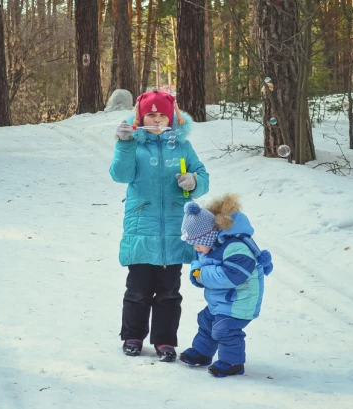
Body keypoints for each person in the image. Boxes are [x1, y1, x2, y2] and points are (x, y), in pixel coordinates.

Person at [109, 90, 209, 361]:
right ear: (140, 117)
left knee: (169, 293)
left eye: (162, 115)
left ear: (171, 118)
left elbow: (202, 175)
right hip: (142, 228)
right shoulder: (134, 145)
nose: (156, 120)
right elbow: (120, 175)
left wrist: (194, 181)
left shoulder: (182, 146)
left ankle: (165, 341)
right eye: (150, 114)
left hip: (175, 231)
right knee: (138, 290)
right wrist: (124, 143)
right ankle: (133, 336)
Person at [178, 195, 273, 377]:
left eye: (197, 243)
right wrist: (197, 273)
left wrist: (201, 274)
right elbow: (200, 265)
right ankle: (202, 353)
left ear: (209, 236)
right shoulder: (212, 246)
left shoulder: (236, 248)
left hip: (240, 301)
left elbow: (230, 277)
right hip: (223, 300)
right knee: (206, 321)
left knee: (225, 329)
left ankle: (232, 363)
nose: (196, 248)